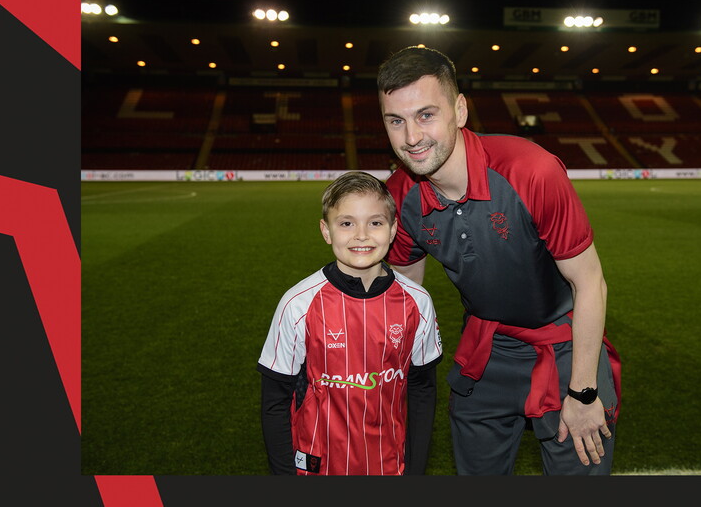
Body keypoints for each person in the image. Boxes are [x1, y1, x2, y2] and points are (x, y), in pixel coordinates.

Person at [377, 46, 621, 475]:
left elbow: (590, 283)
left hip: (567, 350)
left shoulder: (531, 171)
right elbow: (405, 300)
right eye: (395, 120)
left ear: (460, 110)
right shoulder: (401, 194)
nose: (411, 137)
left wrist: (583, 393)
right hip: (486, 354)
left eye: (426, 115)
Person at [257, 171, 443, 475]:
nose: (361, 235)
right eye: (346, 223)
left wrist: (415, 472)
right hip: (316, 468)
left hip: (390, 467)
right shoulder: (298, 304)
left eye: (375, 222)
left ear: (394, 229)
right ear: (326, 231)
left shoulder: (417, 303)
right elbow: (275, 401)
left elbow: (422, 391)